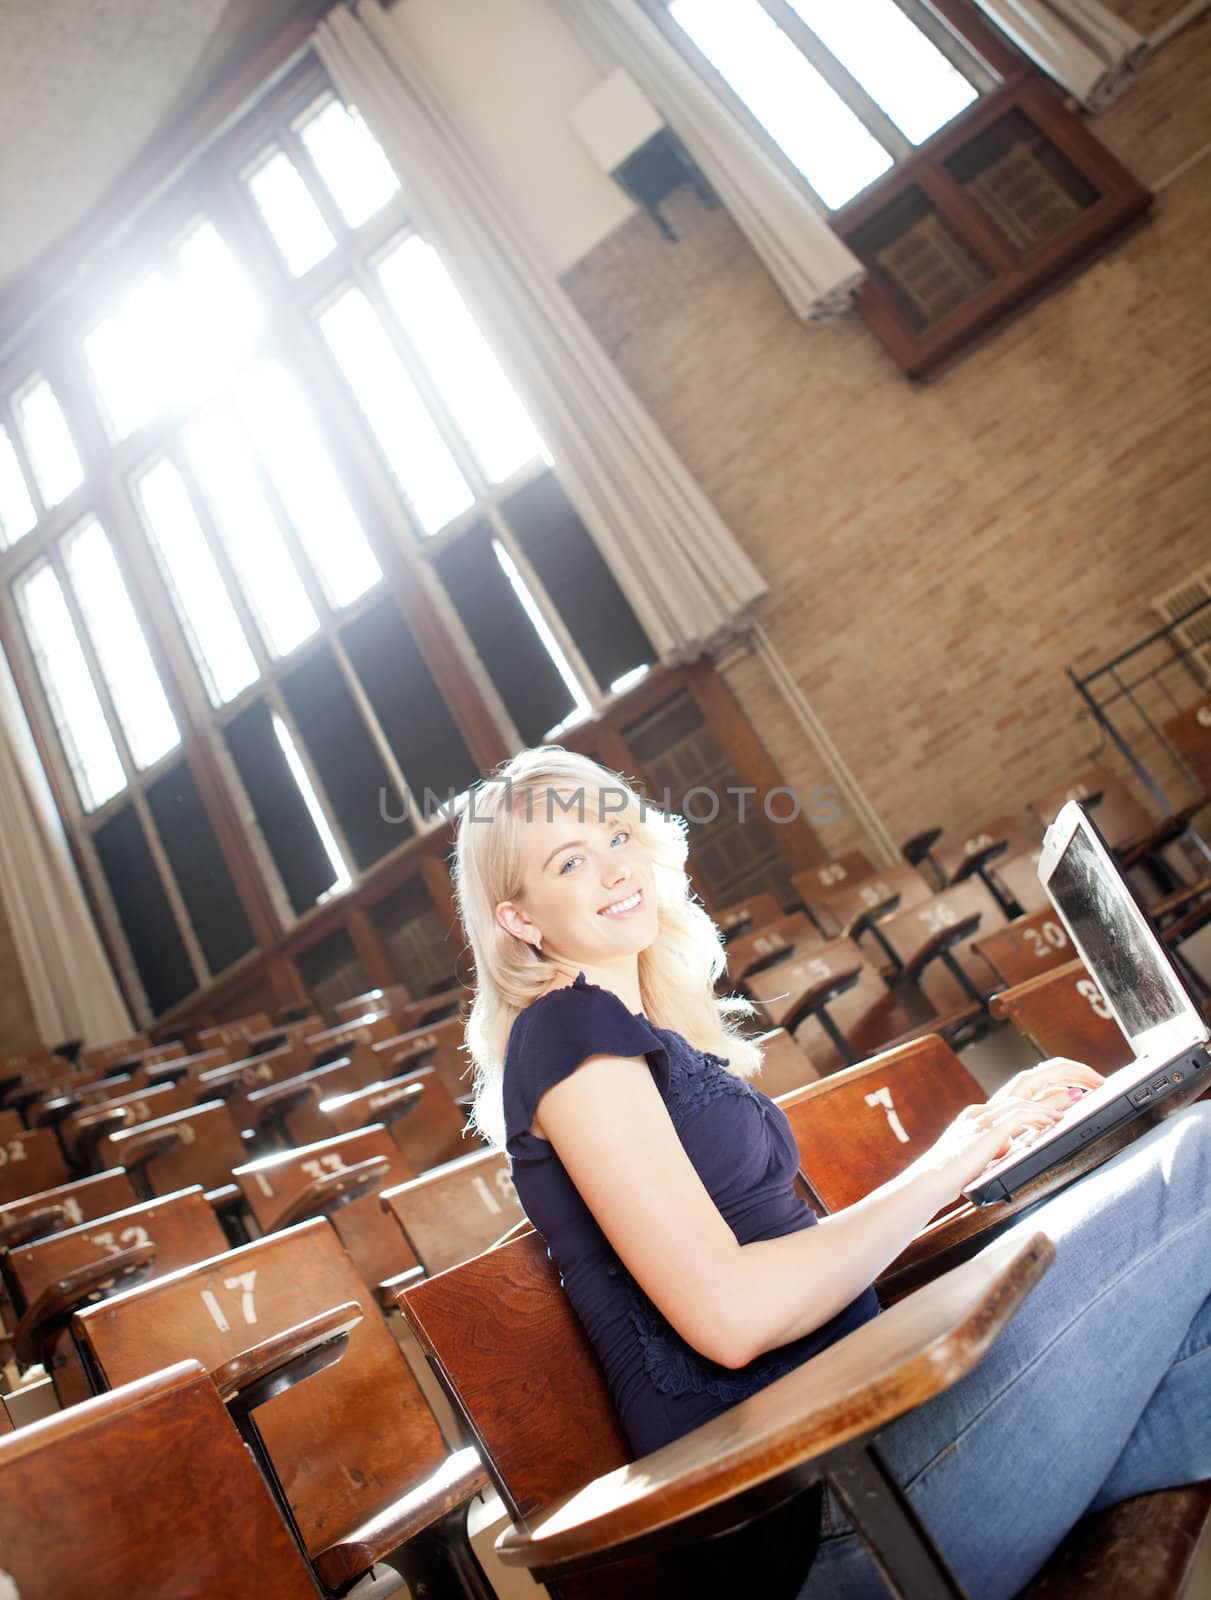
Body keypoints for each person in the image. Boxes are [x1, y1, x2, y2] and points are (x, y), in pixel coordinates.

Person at [451, 746, 1211, 1599]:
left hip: (876, 1431)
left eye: (613, 836)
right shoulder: (563, 1031)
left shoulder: (640, 1029)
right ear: (519, 919)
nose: (612, 869)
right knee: (1197, 1157)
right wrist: (952, 1159)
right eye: (569, 861)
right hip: (822, 1510)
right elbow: (729, 1315)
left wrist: (979, 1139)